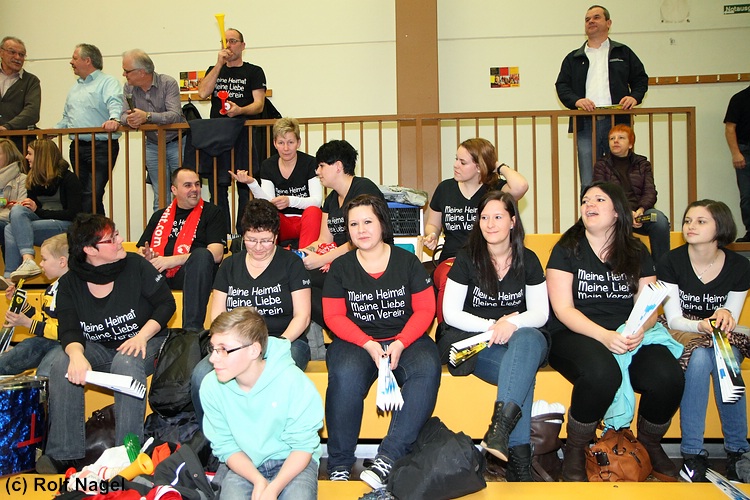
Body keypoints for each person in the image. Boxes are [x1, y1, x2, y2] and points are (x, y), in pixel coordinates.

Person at [546, 181, 684, 482]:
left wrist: (639, 329)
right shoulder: (566, 249)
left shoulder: (636, 250)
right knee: (602, 373)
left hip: (626, 332)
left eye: (599, 199)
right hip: (574, 332)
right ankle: (576, 447)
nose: (589, 204)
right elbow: (563, 310)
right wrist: (605, 336)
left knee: (669, 376)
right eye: (585, 200)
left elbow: (649, 307)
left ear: (617, 211)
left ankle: (649, 443)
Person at [36, 214, 176, 474]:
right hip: (101, 347)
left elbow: (166, 304)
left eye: (117, 234)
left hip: (148, 341)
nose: (121, 240)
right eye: (112, 239)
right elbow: (69, 329)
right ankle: (64, 454)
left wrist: (142, 336)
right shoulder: (69, 283)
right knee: (62, 361)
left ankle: (128, 453)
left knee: (126, 361)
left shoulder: (135, 265)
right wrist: (76, 355)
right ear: (90, 250)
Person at [322, 194, 440, 489]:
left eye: (367, 222)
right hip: (356, 341)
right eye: (353, 224)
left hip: (406, 339)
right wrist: (367, 343)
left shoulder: (408, 262)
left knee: (426, 368)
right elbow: (333, 316)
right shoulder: (340, 267)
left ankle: (388, 457)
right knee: (345, 375)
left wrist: (400, 342)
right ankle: (339, 464)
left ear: (382, 224)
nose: (360, 229)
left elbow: (426, 309)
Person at [437, 190, 549, 481]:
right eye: (484, 217)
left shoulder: (528, 259)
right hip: (480, 344)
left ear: (512, 221)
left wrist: (512, 324)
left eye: (498, 217)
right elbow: (450, 313)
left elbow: (541, 313)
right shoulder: (467, 258)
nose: (490, 223)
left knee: (528, 340)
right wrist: (492, 326)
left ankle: (500, 431)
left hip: (520, 341)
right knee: (522, 373)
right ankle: (519, 464)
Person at [191, 199, 312, 422]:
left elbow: (302, 317)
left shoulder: (291, 264)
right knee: (200, 377)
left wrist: (277, 345)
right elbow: (217, 316)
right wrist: (231, 347)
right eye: (251, 240)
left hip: (285, 340)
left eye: (265, 240)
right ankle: (216, 437)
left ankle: (267, 437)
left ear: (276, 236)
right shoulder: (229, 266)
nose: (258, 247)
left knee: (272, 376)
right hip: (235, 344)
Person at [657, 200, 750, 482]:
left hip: (720, 334)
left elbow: (729, 318)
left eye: (701, 221)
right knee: (698, 356)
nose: (691, 226)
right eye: (688, 221)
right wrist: (700, 325)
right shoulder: (670, 261)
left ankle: (737, 452)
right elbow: (674, 319)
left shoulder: (739, 266)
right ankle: (693, 453)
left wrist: (723, 317)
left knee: (724, 355)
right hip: (683, 330)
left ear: (720, 227)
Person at [200, 307, 323, 500]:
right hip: (247, 462)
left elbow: (303, 446)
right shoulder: (211, 386)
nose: (213, 358)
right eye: (213, 348)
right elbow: (226, 446)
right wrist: (258, 481)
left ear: (253, 350)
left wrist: (273, 489)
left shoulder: (292, 381)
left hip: (292, 460)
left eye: (223, 349)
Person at [555, 5, 648, 188]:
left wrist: (634, 97)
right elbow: (562, 86)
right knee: (588, 180)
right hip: (585, 123)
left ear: (608, 23)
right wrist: (577, 101)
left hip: (618, 122)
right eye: (587, 19)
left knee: (621, 177)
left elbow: (640, 79)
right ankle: (589, 207)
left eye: (596, 17)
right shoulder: (573, 58)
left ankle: (620, 208)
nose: (591, 21)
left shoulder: (623, 52)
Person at [301, 139, 385, 330]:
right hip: (339, 263)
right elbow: (324, 239)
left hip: (364, 261)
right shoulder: (331, 199)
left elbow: (361, 240)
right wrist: (304, 253)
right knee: (299, 278)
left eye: (322, 166)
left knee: (303, 280)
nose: (317, 172)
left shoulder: (364, 189)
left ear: (338, 166)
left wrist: (321, 260)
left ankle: (345, 327)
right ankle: (341, 326)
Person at [136, 167, 224, 332]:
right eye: (188, 185)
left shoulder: (213, 212)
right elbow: (141, 249)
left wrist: (172, 261)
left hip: (193, 274)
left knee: (202, 255)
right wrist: (146, 256)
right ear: (174, 189)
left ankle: (191, 330)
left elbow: (217, 254)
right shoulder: (159, 215)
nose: (194, 189)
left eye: (197, 184)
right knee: (129, 262)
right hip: (159, 272)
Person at [197, 27, 266, 234]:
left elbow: (259, 105)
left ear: (243, 46)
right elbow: (202, 92)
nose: (229, 45)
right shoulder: (214, 69)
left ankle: (244, 234)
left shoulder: (254, 71)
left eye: (233, 41)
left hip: (243, 135)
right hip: (217, 137)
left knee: (245, 187)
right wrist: (219, 64)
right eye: (225, 41)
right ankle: (221, 234)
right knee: (218, 188)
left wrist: (240, 110)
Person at [423, 138, 528, 264]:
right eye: (456, 159)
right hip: (451, 261)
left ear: (479, 167)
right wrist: (432, 235)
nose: (456, 165)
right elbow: (433, 224)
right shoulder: (445, 188)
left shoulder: (496, 189)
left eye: (463, 162)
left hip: (487, 261)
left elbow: (521, 186)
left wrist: (497, 166)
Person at [230, 117, 323, 248]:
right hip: (281, 223)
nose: (286, 148)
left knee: (314, 211)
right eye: (281, 143)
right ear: (274, 143)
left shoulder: (310, 163)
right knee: (266, 214)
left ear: (298, 142)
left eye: (290, 142)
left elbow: (317, 201)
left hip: (307, 221)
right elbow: (268, 204)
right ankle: (270, 254)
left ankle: (306, 255)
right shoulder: (268, 165)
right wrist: (252, 183)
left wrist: (290, 201)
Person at [56, 43, 123, 216]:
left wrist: (114, 119)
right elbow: (68, 118)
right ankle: (98, 230)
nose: (71, 62)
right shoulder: (74, 88)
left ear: (87, 60)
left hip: (101, 147)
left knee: (92, 194)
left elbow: (115, 102)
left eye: (75, 58)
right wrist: (54, 130)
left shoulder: (108, 82)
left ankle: (94, 231)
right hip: (77, 147)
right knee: (82, 195)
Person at [4, 139, 82, 281]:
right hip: (42, 221)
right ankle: (24, 262)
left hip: (64, 224)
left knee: (10, 229)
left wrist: (37, 210)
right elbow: (34, 210)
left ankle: (11, 275)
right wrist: (25, 206)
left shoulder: (69, 178)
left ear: (41, 156)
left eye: (30, 154)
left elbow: (73, 213)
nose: (26, 157)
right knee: (16, 213)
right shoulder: (33, 178)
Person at [593, 124, 670, 262]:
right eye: (612, 138)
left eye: (621, 138)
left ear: (630, 144)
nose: (615, 141)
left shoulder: (642, 164)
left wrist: (641, 210)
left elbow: (650, 191)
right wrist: (626, 212)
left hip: (640, 214)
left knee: (659, 220)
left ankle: (662, 267)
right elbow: (601, 194)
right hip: (615, 214)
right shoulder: (601, 165)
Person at [121, 49, 185, 211]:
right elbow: (122, 115)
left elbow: (175, 115)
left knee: (183, 190)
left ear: (141, 72)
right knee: (160, 193)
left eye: (127, 71)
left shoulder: (167, 83)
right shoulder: (128, 88)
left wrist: (147, 117)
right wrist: (130, 120)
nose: (124, 74)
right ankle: (161, 226)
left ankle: (184, 225)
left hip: (177, 142)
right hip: (152, 144)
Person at [0, 234, 68, 375]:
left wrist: (28, 323)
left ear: (62, 262)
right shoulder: (52, 288)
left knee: (43, 371)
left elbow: (65, 331)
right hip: (47, 340)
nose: (40, 264)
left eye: (44, 259)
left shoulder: (73, 290)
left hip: (65, 344)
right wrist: (23, 306)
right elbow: (45, 320)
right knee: (10, 358)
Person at [0, 36, 40, 152]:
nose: (17, 57)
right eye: (12, 52)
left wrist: (7, 127)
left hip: (20, 143)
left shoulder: (31, 81)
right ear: (1, 52)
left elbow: (32, 112)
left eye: (21, 55)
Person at [724, 83, 750, 242]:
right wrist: (735, 153)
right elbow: (730, 128)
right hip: (745, 151)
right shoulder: (740, 98)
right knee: (747, 195)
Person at [0, 137, 27, 256]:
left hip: (8, 222)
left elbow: (20, 207)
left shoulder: (22, 179)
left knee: (8, 231)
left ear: (9, 156)